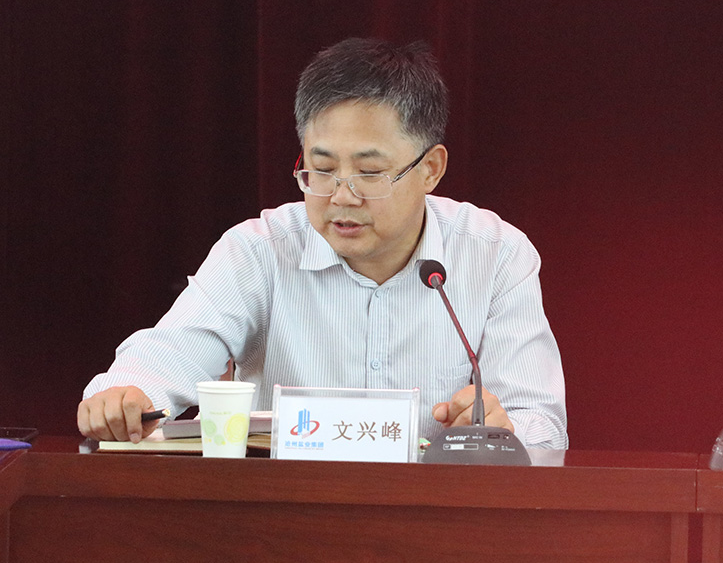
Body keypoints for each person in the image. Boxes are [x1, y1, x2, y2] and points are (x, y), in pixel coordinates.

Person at [78, 38, 567, 449]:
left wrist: (502, 430)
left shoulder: (496, 255)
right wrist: (125, 396)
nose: (341, 196)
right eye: (323, 169)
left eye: (370, 172)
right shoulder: (260, 251)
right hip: (281, 513)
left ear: (431, 169)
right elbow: (169, 354)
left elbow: (544, 428)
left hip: (433, 516)